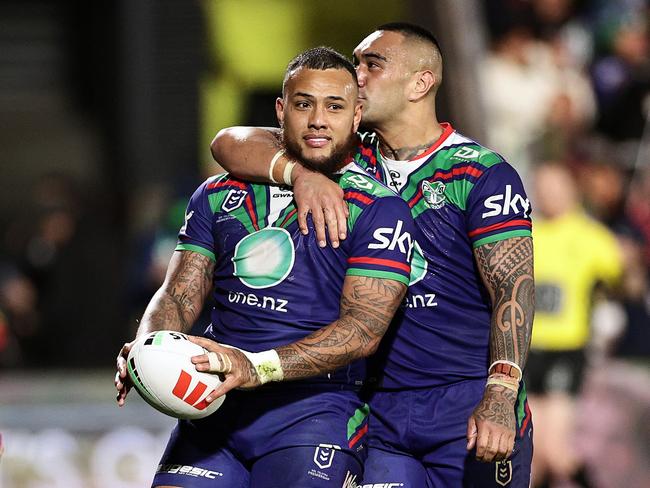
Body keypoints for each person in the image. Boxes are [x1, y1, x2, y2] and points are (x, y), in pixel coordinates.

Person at [210, 22, 535, 487]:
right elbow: (228, 141)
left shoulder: (481, 174)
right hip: (378, 411)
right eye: (357, 62)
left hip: (467, 405)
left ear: (421, 83)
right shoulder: (345, 157)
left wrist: (502, 390)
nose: (356, 74)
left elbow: (514, 288)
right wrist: (298, 175)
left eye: (371, 64)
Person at [114, 47, 417, 487]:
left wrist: (257, 366)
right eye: (303, 104)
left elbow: (364, 330)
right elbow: (179, 291)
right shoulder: (217, 194)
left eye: (334, 106)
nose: (317, 119)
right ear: (280, 110)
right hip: (215, 409)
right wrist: (149, 345)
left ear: (356, 117)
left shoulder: (379, 209)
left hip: (316, 414)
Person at [527, 162, 623, 487]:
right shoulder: (528, 232)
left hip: (565, 350)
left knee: (555, 450)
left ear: (571, 189)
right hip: (527, 349)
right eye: (542, 187)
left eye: (556, 186)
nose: (549, 194)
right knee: (532, 455)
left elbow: (621, 278)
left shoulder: (592, 236)